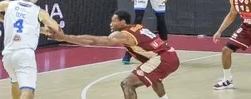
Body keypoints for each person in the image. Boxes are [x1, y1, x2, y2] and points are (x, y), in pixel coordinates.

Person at [46, 10, 180, 99]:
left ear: (122, 22)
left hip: (162, 59)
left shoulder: (124, 34)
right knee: (154, 78)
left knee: (127, 84)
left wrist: (66, 37)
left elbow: (95, 41)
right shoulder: (137, 27)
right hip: (169, 55)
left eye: (113, 21)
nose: (111, 24)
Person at [0, 0, 60, 99]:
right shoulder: (39, 12)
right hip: (24, 54)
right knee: (28, 92)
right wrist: (55, 31)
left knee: (15, 83)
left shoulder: (9, 4)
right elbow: (57, 28)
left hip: (8, 56)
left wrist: (5, 20)